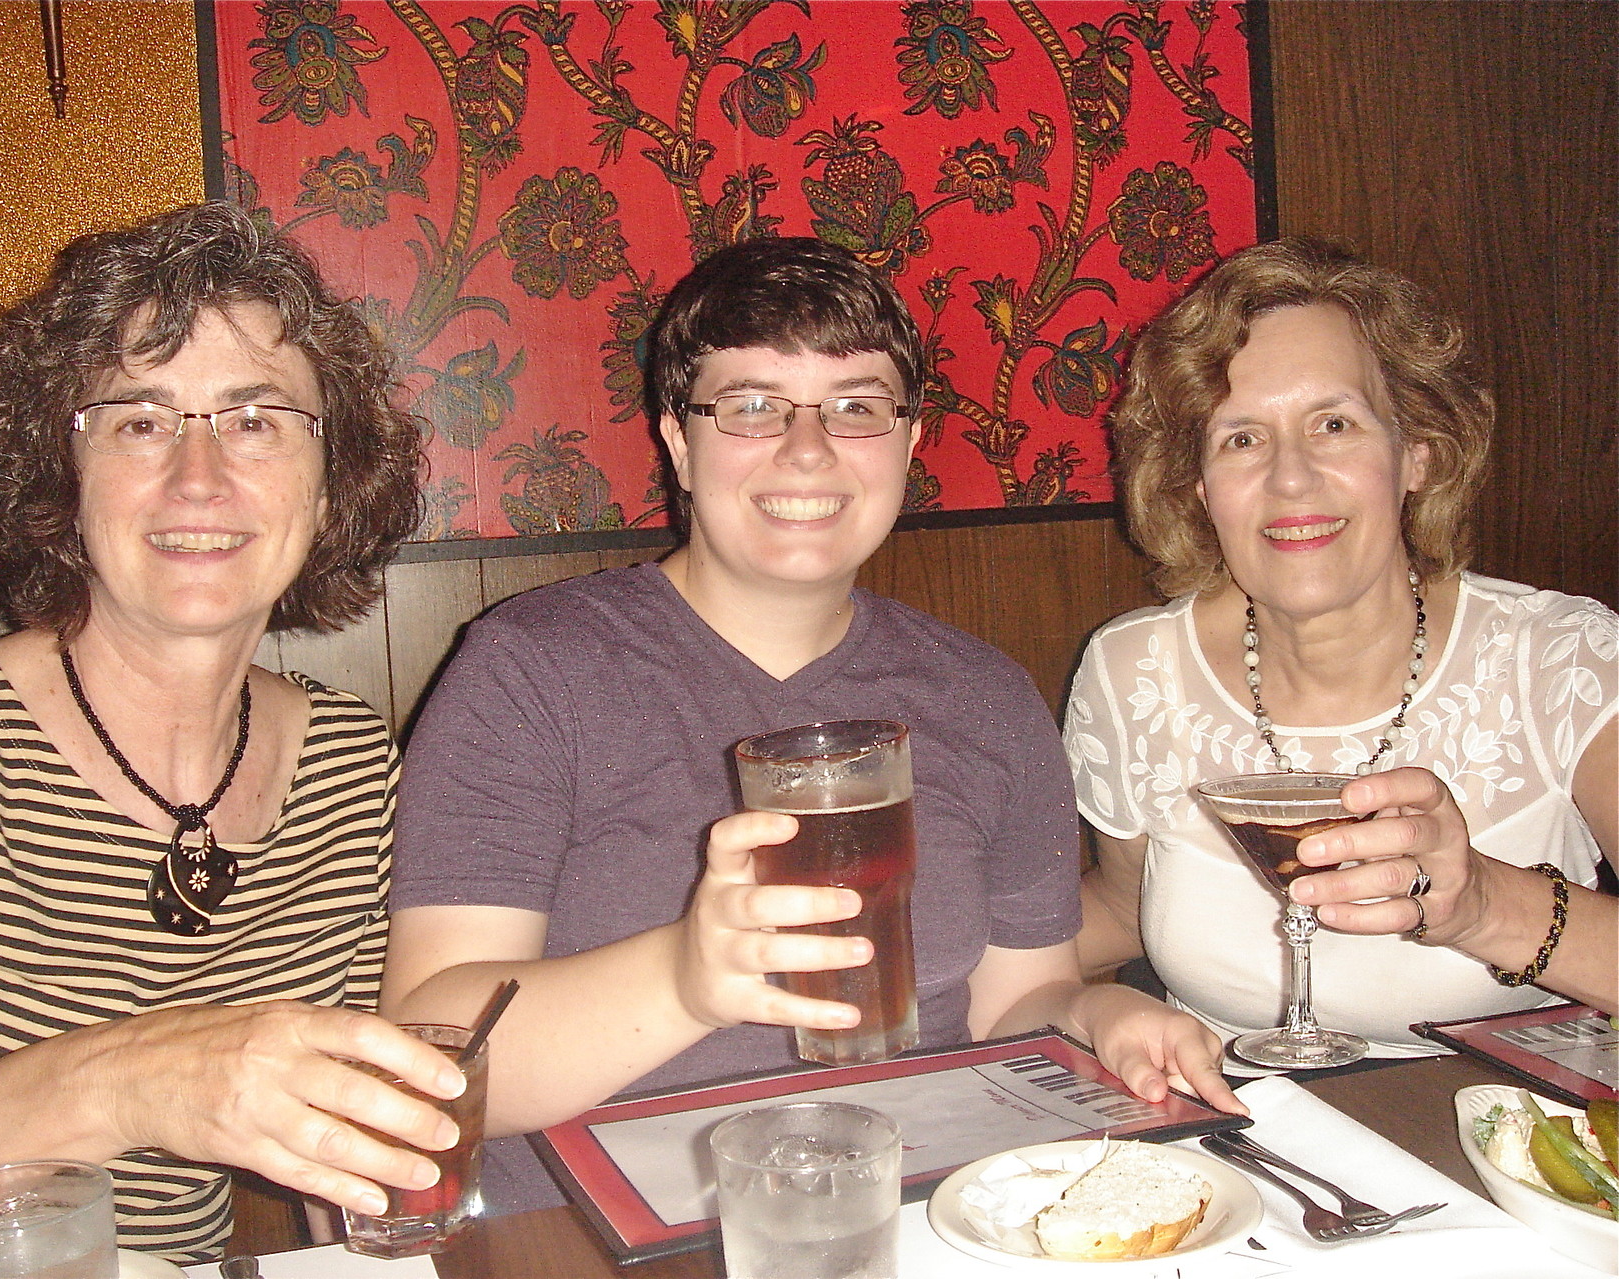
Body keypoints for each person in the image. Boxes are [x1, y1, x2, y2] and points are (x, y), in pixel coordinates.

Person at [382, 236, 1242, 1217]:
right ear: (677, 441)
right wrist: (683, 977)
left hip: (923, 1212)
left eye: (855, 407)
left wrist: (1094, 1008)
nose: (807, 448)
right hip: (606, 1241)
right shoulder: (529, 670)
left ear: (908, 444)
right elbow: (429, 1052)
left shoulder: (985, 696)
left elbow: (1010, 1003)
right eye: (750, 406)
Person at [0, 203, 460, 1264]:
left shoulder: (346, 767)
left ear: (332, 478)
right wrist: (132, 1078)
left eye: (256, 419)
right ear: (63, 483)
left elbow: (339, 1150)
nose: (198, 479)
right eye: (139, 420)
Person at [1065, 237, 1616, 1062]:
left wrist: (1482, 903)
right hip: (1240, 1153)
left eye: (1333, 423)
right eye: (1241, 439)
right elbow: (1116, 908)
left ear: (1417, 454)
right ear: (1200, 487)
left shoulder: (1563, 657)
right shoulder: (1132, 671)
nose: (1292, 478)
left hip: (1496, 1149)